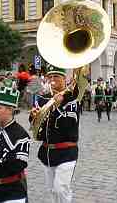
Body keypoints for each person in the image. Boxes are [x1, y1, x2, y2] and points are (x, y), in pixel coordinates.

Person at [30, 65, 80, 203]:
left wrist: (56, 107)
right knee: (51, 189)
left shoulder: (71, 98)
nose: (52, 80)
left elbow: (69, 122)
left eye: (56, 77)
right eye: (50, 77)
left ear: (64, 79)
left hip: (66, 152)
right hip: (47, 152)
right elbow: (37, 127)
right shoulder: (43, 98)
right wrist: (33, 116)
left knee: (61, 189)